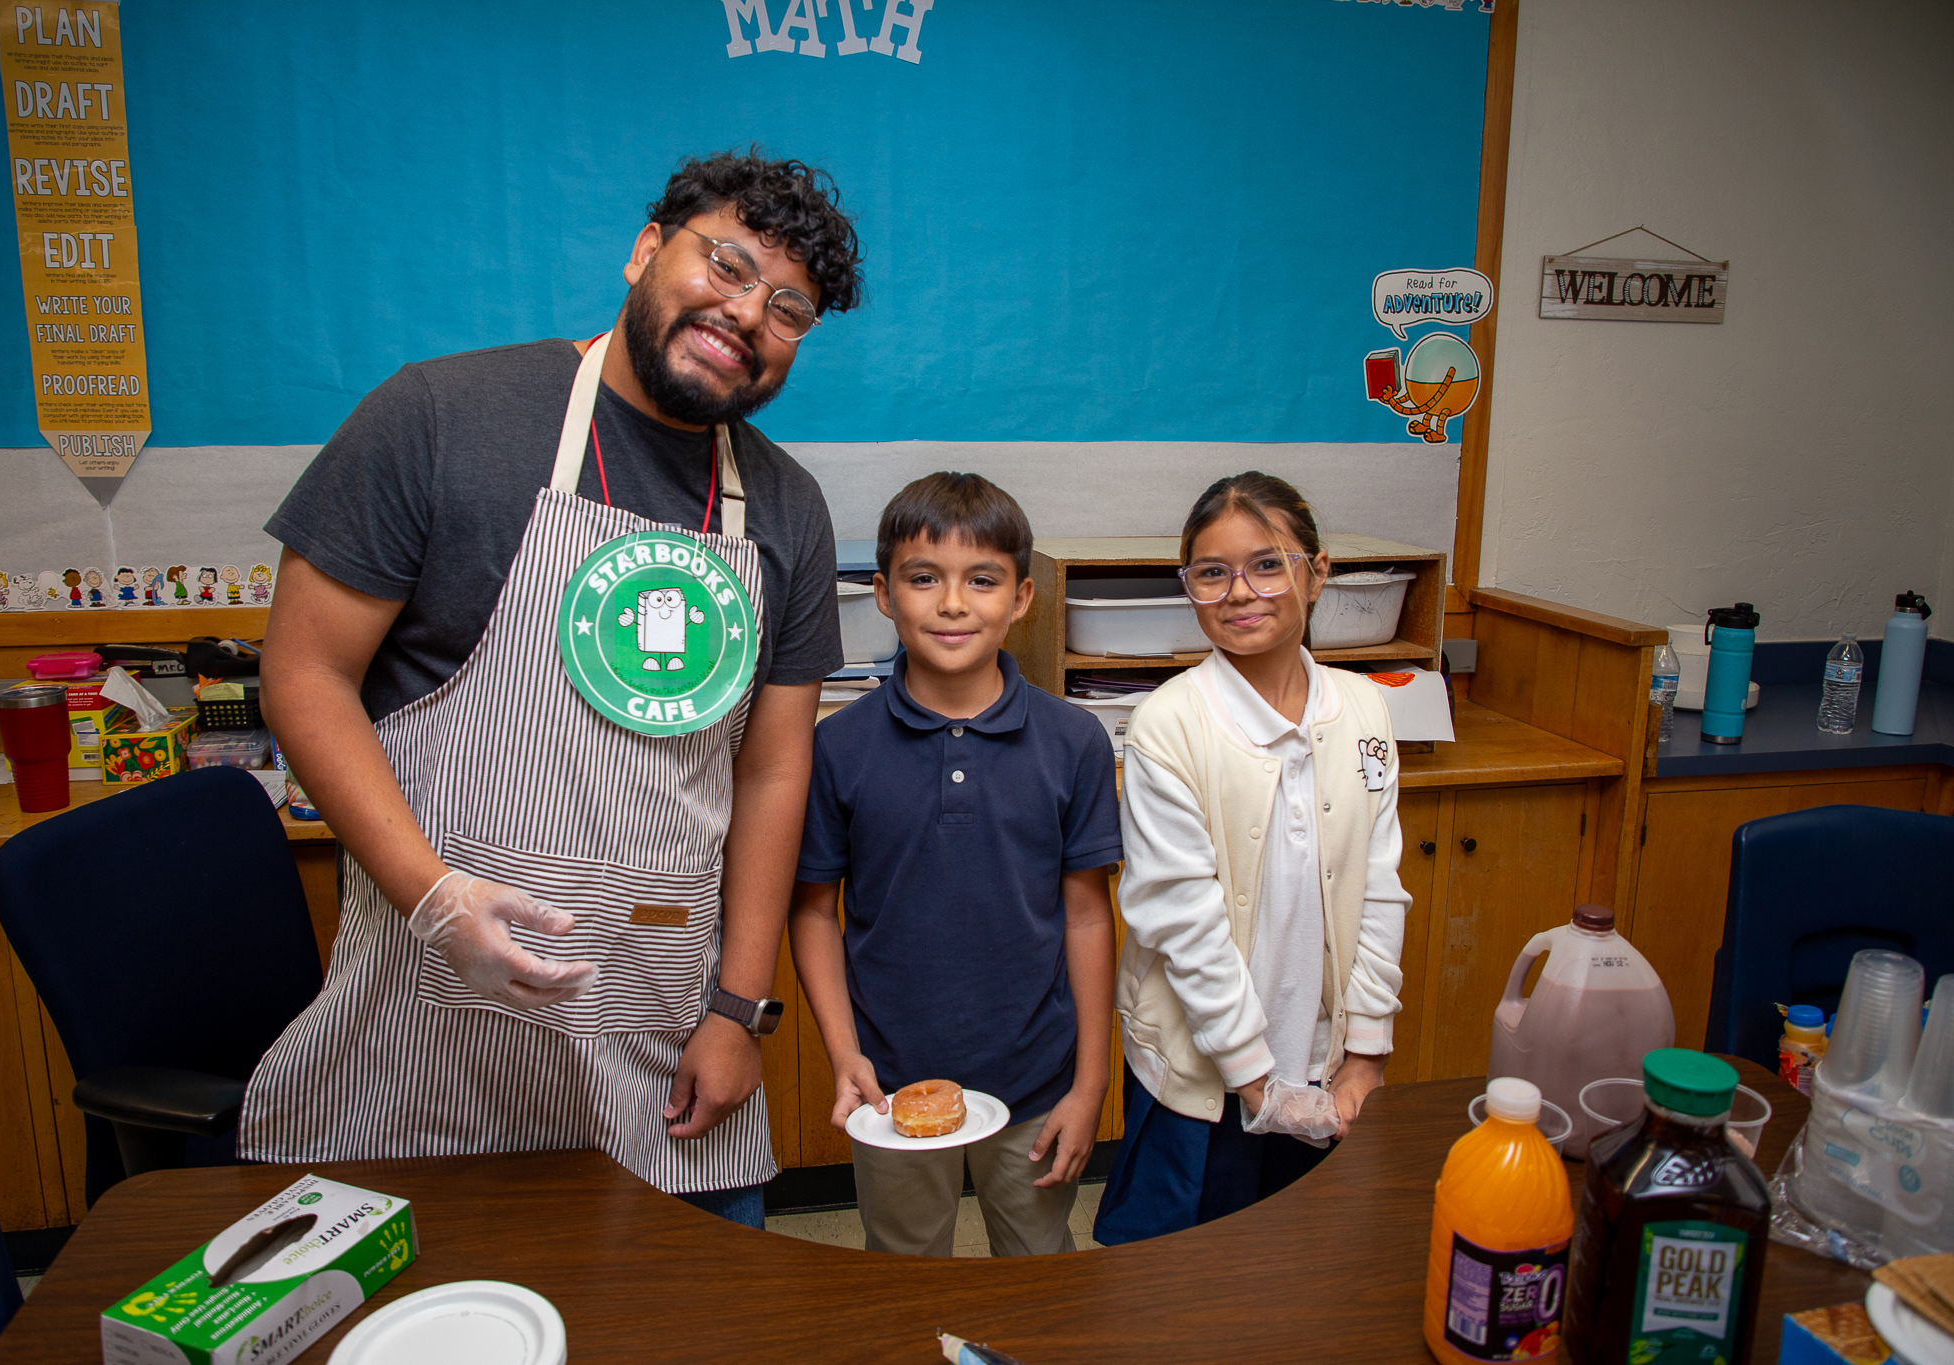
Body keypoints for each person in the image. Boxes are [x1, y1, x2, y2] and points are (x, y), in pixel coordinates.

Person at [237, 148, 865, 1228]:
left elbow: (770, 771)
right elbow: (302, 674)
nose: (746, 312)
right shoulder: (440, 418)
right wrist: (436, 902)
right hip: (429, 1023)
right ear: (642, 249)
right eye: (724, 262)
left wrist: (736, 1012)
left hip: (660, 1035)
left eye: (788, 307)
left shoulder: (784, 509)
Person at [789, 473, 1121, 1256]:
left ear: (1022, 595)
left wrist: (1091, 1082)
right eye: (923, 577)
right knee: (904, 1270)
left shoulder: (1074, 741)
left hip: (1040, 1075)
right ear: (882, 592)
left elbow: (1086, 913)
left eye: (982, 580)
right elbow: (812, 912)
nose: (952, 603)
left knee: (1040, 1265)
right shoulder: (838, 747)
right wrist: (846, 1055)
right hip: (890, 1080)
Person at [1092, 472, 1410, 1244]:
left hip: (1322, 1061)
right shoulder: (1170, 723)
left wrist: (1364, 1054)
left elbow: (1379, 889)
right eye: (1212, 572)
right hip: (1207, 1072)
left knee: (1301, 1267)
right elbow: (1182, 918)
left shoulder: (1364, 708)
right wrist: (1257, 1078)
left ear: (1318, 569)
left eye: (1268, 563)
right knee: (1179, 1275)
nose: (1241, 591)